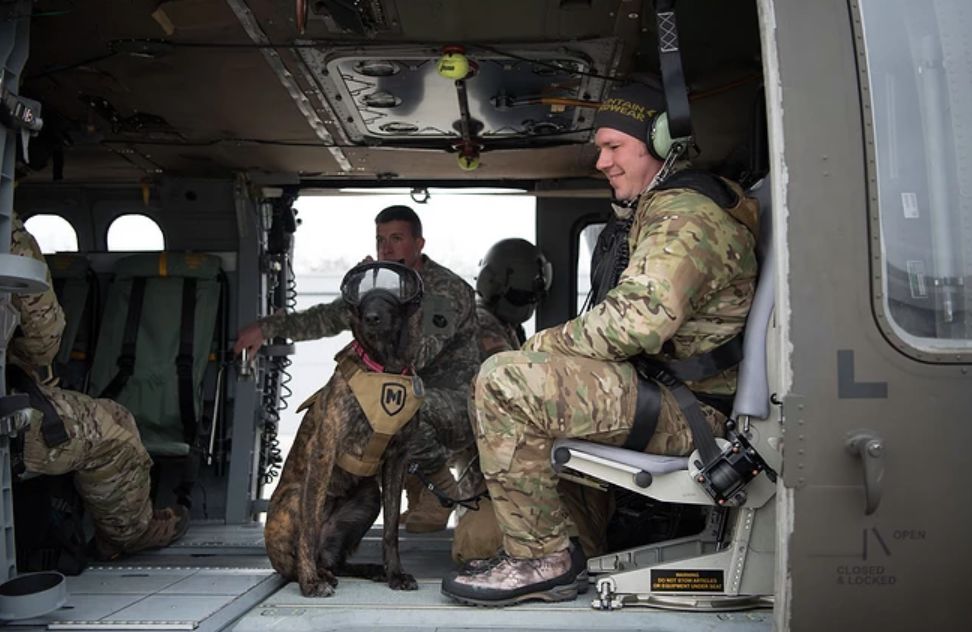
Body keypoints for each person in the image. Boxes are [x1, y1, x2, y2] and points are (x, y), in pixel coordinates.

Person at [441, 83, 760, 606]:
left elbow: (639, 321)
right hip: (671, 394)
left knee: (506, 379)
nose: (601, 161)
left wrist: (545, 343)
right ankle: (552, 547)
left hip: (697, 415)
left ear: (662, 144)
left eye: (614, 147)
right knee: (520, 381)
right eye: (600, 148)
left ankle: (540, 559)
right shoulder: (662, 210)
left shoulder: (686, 216)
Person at [234, 205, 479, 533]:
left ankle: (441, 490)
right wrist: (267, 328)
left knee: (396, 406)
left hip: (456, 405)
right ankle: (416, 487)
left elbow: (412, 358)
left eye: (396, 239)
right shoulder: (380, 284)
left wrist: (373, 302)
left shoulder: (444, 290)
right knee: (368, 408)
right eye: (380, 240)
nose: (386, 249)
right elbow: (326, 318)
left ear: (419, 244)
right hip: (409, 394)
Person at [5, 213, 189, 561]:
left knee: (103, 413)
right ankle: (128, 535)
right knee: (112, 434)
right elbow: (42, 339)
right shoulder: (5, 232)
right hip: (10, 417)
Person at [451, 238, 553, 563]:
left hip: (490, 462)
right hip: (487, 468)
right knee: (481, 543)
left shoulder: (501, 323)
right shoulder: (484, 327)